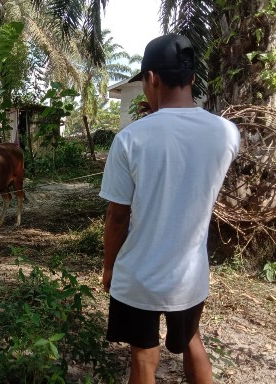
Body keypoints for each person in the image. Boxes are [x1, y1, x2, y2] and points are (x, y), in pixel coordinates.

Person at [99, 34, 240, 384]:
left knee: (144, 357)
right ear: (192, 78)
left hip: (139, 278)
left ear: (151, 79)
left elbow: (118, 217)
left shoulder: (131, 139)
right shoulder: (226, 133)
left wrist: (109, 268)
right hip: (190, 277)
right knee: (192, 340)